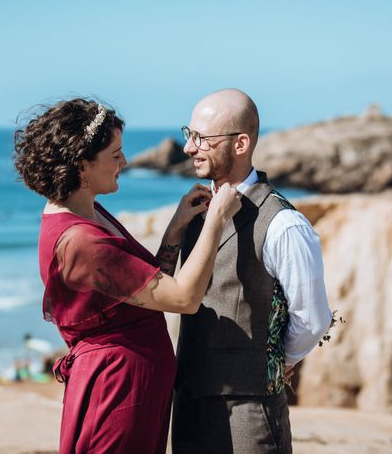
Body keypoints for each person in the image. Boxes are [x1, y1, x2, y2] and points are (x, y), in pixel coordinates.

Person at [13, 97, 241, 454]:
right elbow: (184, 298)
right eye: (115, 154)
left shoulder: (85, 212)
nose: (125, 162)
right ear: (81, 164)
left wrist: (175, 229)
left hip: (130, 384)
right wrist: (217, 220)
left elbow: (145, 293)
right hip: (117, 389)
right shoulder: (82, 240)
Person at [172, 88, 333, 453]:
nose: (188, 148)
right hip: (188, 409)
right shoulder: (195, 211)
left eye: (201, 138)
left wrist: (272, 362)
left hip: (249, 414)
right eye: (189, 134)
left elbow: (313, 319)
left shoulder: (284, 224)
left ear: (241, 143)